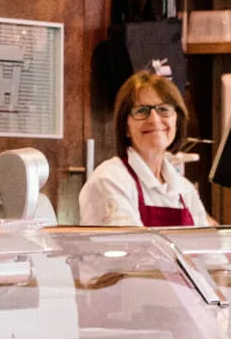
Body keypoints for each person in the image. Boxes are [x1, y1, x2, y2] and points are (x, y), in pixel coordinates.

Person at [80, 73, 214, 227]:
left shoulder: (185, 189)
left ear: (177, 122)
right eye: (141, 111)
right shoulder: (110, 179)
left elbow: (204, 241)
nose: (154, 119)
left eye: (163, 109)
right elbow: (130, 241)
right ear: (125, 127)